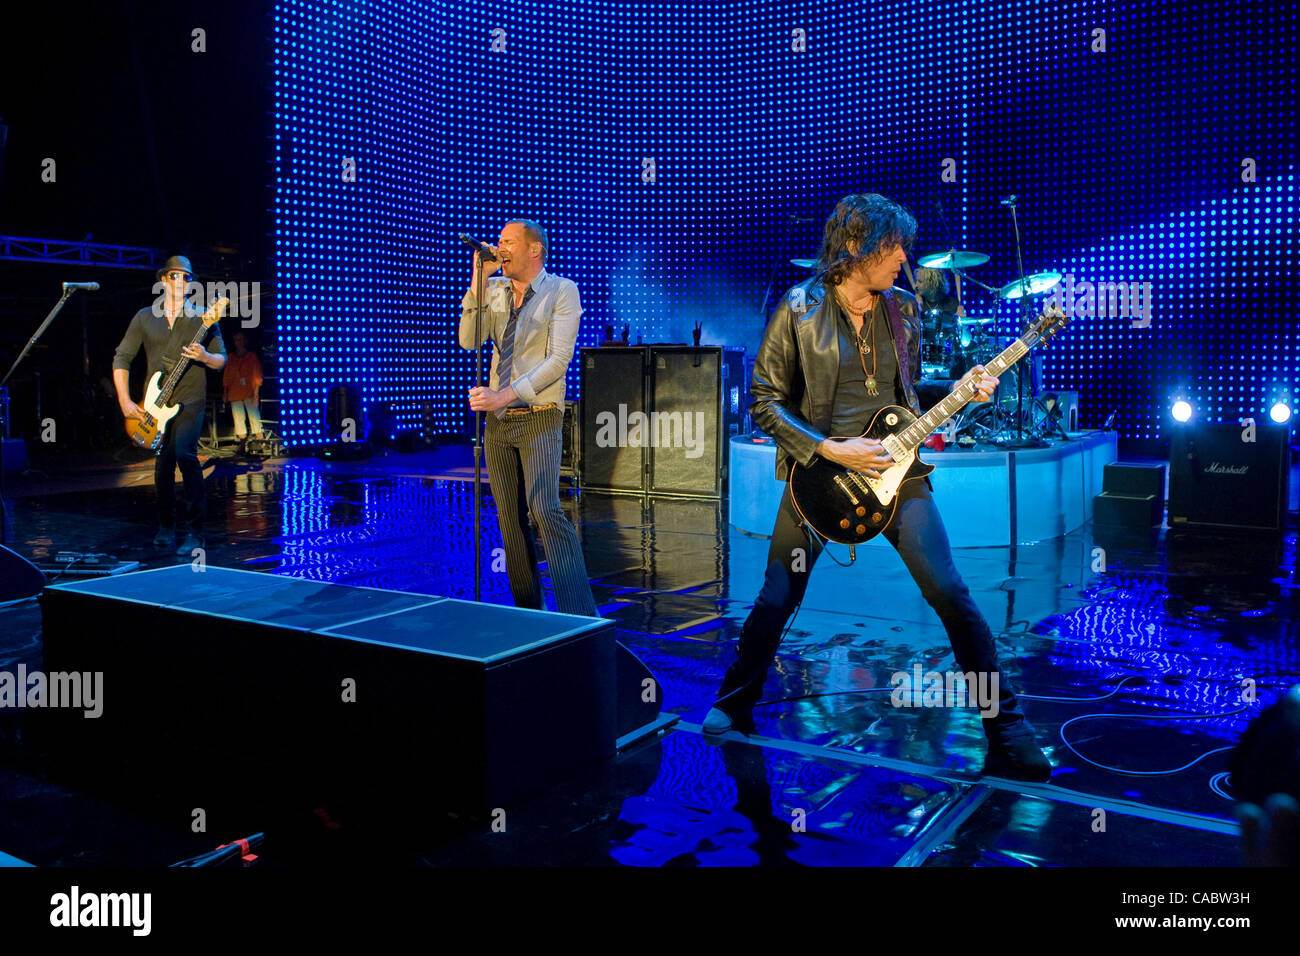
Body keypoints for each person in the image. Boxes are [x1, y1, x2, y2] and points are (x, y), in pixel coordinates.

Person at [703, 193, 1052, 782]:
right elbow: (764, 403)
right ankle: (735, 700)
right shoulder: (797, 309)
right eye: (890, 247)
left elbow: (907, 398)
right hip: (820, 478)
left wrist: (964, 388)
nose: (902, 259)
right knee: (776, 597)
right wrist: (828, 447)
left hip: (897, 474)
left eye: (901, 248)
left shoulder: (905, 310)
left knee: (952, 593)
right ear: (852, 248)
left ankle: (1005, 723)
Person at [458, 219, 598, 617]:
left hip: (539, 415)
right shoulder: (494, 289)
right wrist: (477, 281)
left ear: (534, 250)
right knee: (508, 517)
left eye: (508, 242)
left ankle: (581, 615)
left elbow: (558, 361)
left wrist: (503, 393)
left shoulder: (561, 290)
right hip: (499, 422)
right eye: (498, 242)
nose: (499, 248)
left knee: (544, 508)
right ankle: (527, 614)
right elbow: (469, 341)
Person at [113, 255, 226, 554]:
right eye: (175, 275)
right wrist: (125, 400)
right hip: (155, 403)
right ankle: (165, 526)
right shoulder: (144, 317)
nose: (181, 281)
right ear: (164, 280)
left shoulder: (204, 316)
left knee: (185, 455)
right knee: (162, 464)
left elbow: (220, 361)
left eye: (186, 277)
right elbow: (122, 357)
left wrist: (204, 356)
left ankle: (195, 531)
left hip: (191, 398)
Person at [223, 330, 264, 447]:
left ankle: (260, 443)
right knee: (238, 420)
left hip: (249, 393)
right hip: (235, 393)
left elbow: (257, 376)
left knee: (255, 419)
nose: (238, 342)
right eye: (236, 340)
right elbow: (227, 376)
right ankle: (242, 445)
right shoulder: (230, 357)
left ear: (245, 341)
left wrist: (256, 395)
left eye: (240, 340)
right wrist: (225, 392)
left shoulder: (251, 356)